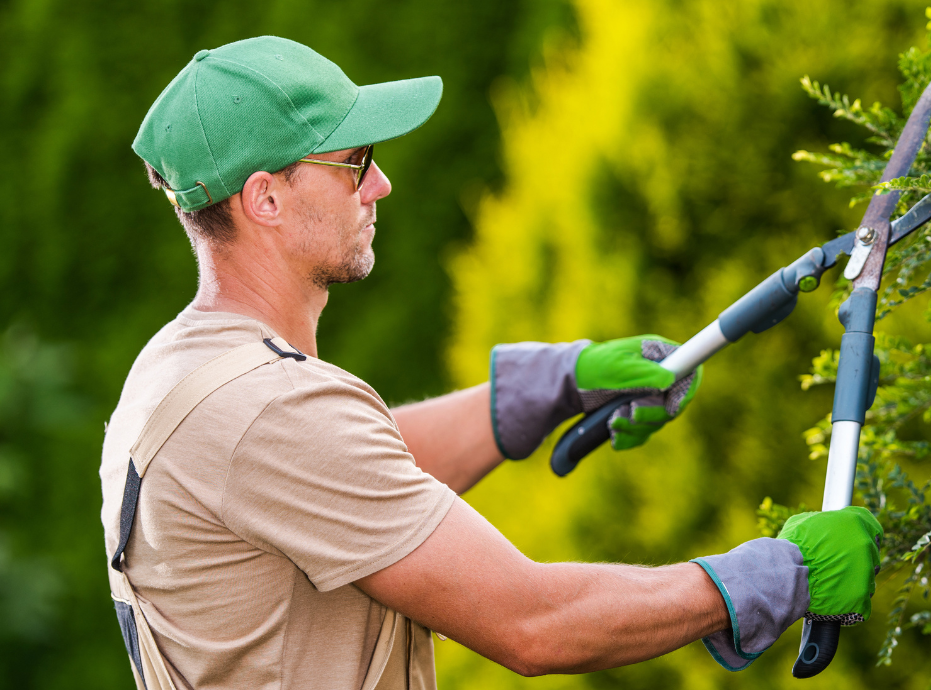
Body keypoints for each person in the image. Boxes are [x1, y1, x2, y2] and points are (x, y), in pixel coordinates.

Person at [100, 36, 881, 690]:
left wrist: (551, 386)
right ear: (265, 198)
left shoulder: (184, 371)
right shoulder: (269, 411)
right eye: (354, 161)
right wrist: (778, 576)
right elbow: (535, 622)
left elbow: (349, 477)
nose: (382, 183)